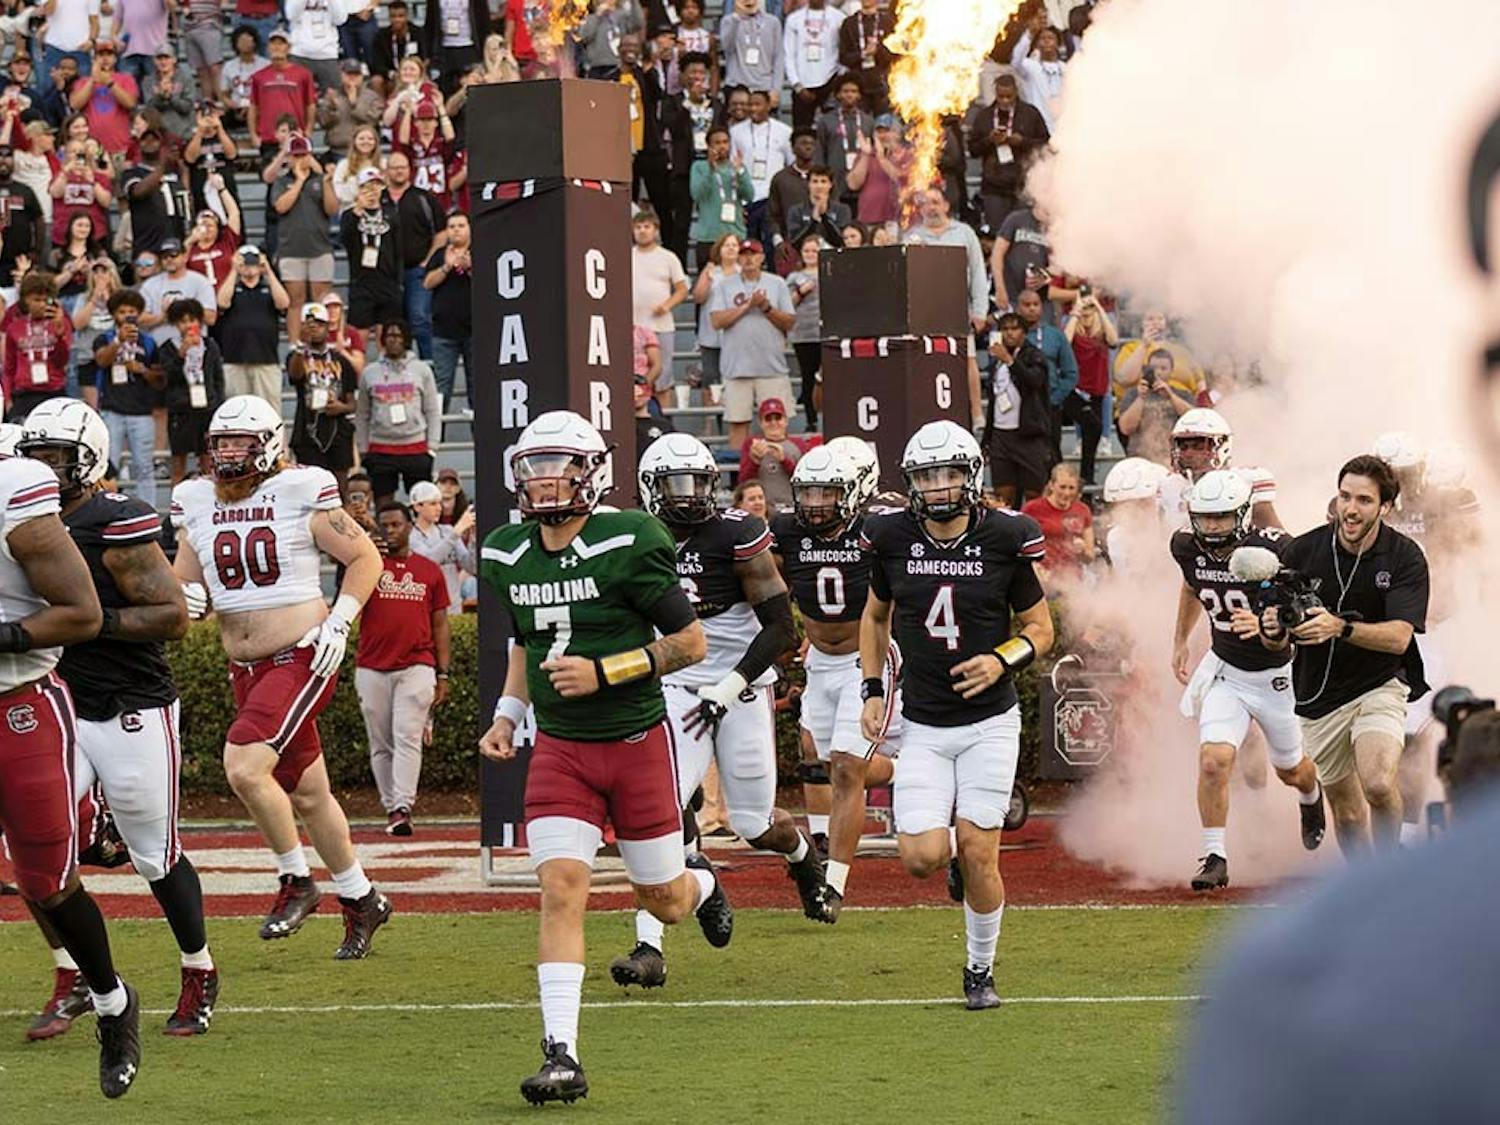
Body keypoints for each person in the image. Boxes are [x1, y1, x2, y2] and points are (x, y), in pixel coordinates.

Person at [477, 411, 731, 1104]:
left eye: (560, 464)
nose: (545, 479)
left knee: (667, 901)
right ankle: (562, 1052)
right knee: (561, 887)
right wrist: (508, 715)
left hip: (635, 743)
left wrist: (607, 669)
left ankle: (703, 882)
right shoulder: (505, 550)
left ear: (593, 471)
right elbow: (528, 643)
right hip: (561, 749)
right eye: (534, 465)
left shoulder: (631, 537)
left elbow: (690, 642)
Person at [18, 399, 218, 1038]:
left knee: (154, 855)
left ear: (88, 458)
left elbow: (172, 618)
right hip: (56, 703)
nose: (44, 471)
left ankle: (198, 968)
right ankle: (73, 974)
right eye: (35, 458)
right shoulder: (25, 518)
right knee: (31, 853)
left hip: (130, 704)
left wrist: (80, 623)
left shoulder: (116, 520)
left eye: (55, 458)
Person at [172, 395, 392, 957]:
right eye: (220, 443)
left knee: (245, 767)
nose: (227, 455)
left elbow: (365, 557)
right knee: (311, 794)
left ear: (268, 444)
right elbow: (184, 577)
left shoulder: (302, 487)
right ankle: (361, 896)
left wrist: (340, 622)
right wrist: (186, 597)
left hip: (300, 653)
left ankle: (296, 879)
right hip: (243, 666)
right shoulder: (195, 498)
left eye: (240, 444)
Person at [610, 431, 817, 992]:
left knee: (753, 823)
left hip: (740, 685)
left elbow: (780, 629)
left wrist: (729, 686)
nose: (687, 496)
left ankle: (800, 856)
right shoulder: (632, 537)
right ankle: (652, 940)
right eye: (675, 485)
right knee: (660, 804)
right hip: (677, 686)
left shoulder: (737, 533)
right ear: (651, 489)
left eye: (696, 483)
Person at [858, 420, 1054, 1009]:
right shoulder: (890, 536)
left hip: (990, 721)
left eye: (948, 475)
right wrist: (872, 688)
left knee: (979, 848)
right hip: (923, 721)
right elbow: (874, 617)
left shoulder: (1006, 537)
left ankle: (979, 968)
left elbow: (1042, 629)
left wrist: (1002, 659)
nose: (939, 487)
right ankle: (952, 867)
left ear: (971, 478)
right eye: (926, 476)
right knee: (921, 857)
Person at [0, 449, 144, 1098]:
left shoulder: (16, 493)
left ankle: (113, 1002)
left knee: (48, 882)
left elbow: (82, 613)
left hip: (19, 704)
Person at [1252, 455, 1430, 857]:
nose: (1351, 508)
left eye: (1364, 500)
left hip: (1380, 684)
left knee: (1380, 784)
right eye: (1345, 496)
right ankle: (1364, 885)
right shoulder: (1302, 551)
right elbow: (1275, 644)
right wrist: (1272, 629)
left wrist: (1340, 627)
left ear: (1385, 506)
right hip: (1318, 696)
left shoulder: (1404, 557)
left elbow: (1400, 639)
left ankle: (1387, 882)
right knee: (1348, 816)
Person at [1168, 470, 1326, 892]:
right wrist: (1181, 639)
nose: (1212, 526)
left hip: (1278, 676)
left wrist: (1265, 623)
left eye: (1221, 517)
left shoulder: (1276, 548)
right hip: (1227, 671)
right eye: (1204, 517)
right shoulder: (1186, 546)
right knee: (1213, 761)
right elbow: (1191, 587)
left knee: (1291, 771)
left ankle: (1312, 800)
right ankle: (1215, 855)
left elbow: (1304, 613)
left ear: (1241, 514)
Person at [771, 439, 900, 918]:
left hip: (863, 660)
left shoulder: (878, 530)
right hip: (819, 660)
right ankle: (828, 836)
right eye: (807, 493)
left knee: (847, 766)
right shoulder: (786, 529)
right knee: (817, 759)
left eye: (827, 493)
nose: (814, 504)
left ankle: (834, 883)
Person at [357, 500, 450, 838]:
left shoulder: (429, 570)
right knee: (380, 742)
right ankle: (391, 806)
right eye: (385, 526)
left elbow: (440, 624)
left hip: (417, 664)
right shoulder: (366, 566)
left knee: (407, 735)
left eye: (396, 524)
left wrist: (443, 673)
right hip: (371, 664)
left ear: (410, 525)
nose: (391, 531)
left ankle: (402, 806)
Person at [904, 189, 988, 430]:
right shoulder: (912, 237)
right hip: (924, 312)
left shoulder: (964, 233)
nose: (931, 207)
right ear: (919, 209)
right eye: (925, 204)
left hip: (958, 308)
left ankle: (976, 412)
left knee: (968, 359)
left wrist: (980, 310)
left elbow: (978, 273)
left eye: (935, 202)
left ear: (946, 205)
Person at [707, 238, 796, 451]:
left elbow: (789, 322)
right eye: (744, 254)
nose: (748, 259)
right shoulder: (725, 285)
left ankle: (781, 472)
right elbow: (717, 321)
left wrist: (766, 307)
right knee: (738, 424)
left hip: (771, 366)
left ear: (762, 257)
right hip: (737, 368)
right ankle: (740, 478)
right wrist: (748, 306)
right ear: (738, 257)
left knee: (777, 424)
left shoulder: (777, 283)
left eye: (753, 254)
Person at [354, 320, 441, 504]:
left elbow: (432, 410)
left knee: (421, 504)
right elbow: (362, 414)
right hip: (380, 447)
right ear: (383, 340)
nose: (394, 340)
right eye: (390, 336)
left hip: (415, 446)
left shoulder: (422, 370)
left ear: (406, 339)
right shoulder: (370, 373)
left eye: (398, 336)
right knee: (383, 505)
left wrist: (432, 446)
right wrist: (363, 448)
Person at [1159, 408, 1281, 531]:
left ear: (1223, 445)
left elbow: (1274, 536)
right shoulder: (1169, 484)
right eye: (1184, 447)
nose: (1189, 454)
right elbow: (1160, 537)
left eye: (1198, 447)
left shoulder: (1246, 480)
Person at [966, 74, 1049, 254]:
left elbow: (1045, 144)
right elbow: (972, 149)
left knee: (1023, 237)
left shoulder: (1030, 113)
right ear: (995, 93)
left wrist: (1022, 142)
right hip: (994, 187)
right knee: (998, 237)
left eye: (1008, 97)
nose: (1004, 101)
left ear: (1016, 92)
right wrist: (989, 140)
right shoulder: (985, 116)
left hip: (1024, 185)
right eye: (1000, 96)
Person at [90, 287, 158, 506]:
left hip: (141, 412)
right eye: (122, 312)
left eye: (132, 311)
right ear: (113, 314)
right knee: (107, 467)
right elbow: (101, 360)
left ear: (139, 314)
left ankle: (148, 515)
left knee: (145, 469)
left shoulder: (148, 342)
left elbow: (159, 378)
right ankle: (107, 511)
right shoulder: (104, 338)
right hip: (112, 409)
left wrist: (143, 371)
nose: (127, 316)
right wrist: (118, 341)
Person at [287, 301, 358, 499]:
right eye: (309, 323)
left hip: (338, 431)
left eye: (319, 324)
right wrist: (301, 345)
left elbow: (353, 402)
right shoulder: (297, 357)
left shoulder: (341, 360)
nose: (314, 328)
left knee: (340, 487)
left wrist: (341, 407)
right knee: (310, 490)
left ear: (327, 328)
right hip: (307, 430)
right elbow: (295, 375)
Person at [271, 133, 337, 342]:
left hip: (320, 247)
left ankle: (322, 343)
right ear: (289, 158)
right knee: (295, 301)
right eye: (295, 156)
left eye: (303, 155)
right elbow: (281, 206)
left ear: (310, 156)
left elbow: (332, 208)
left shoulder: (320, 180)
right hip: (291, 249)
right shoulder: (282, 181)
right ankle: (294, 345)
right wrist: (299, 181)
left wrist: (327, 182)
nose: (299, 160)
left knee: (321, 300)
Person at [984, 311, 1051, 508]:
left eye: (1014, 329)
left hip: (1028, 435)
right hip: (1000, 436)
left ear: (1024, 332)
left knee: (1034, 495)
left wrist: (1011, 361)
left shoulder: (1034, 356)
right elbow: (994, 401)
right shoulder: (996, 362)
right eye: (1005, 329)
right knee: (1003, 496)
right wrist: (987, 440)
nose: (1009, 334)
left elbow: (1034, 380)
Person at [156, 298, 224, 483]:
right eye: (183, 321)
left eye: (192, 320)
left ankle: (208, 504)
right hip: (181, 410)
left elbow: (218, 378)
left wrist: (217, 403)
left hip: (206, 408)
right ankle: (176, 507)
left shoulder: (210, 345)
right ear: (176, 324)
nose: (188, 325)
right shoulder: (168, 348)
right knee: (178, 463)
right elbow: (167, 377)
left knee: (207, 462)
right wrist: (181, 354)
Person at [216, 245, 290, 406]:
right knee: (235, 409)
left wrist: (268, 271)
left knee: (269, 409)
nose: (250, 268)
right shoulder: (232, 288)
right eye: (245, 263)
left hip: (266, 360)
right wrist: (234, 270)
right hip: (234, 360)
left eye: (253, 263)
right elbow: (222, 302)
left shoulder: (269, 288)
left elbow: (284, 303)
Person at [631, 209, 688, 405]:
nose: (642, 231)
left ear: (655, 230)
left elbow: (682, 289)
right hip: (635, 327)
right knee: (635, 377)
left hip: (661, 326)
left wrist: (666, 305)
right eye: (638, 227)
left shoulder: (668, 257)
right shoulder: (625, 256)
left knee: (662, 380)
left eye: (647, 227)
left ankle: (664, 422)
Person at [340, 167, 404, 337]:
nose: (371, 192)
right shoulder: (349, 215)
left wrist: (398, 282)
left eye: (376, 186)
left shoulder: (391, 214)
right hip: (361, 282)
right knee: (359, 337)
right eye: (366, 187)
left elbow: (398, 250)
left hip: (387, 282)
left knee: (387, 336)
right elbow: (344, 240)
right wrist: (357, 211)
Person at [4, 271, 73, 422]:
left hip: (54, 392)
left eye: (45, 300)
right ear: (26, 300)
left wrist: (60, 334)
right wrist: (8, 399)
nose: (41, 304)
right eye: (36, 299)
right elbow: (9, 368)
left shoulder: (61, 323)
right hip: (24, 394)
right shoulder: (15, 327)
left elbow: (62, 361)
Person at [729, 88, 793, 250]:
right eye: (750, 105)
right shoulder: (735, 132)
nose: (753, 109)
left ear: (769, 106)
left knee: (771, 245)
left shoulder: (784, 131)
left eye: (758, 104)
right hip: (747, 196)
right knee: (748, 245)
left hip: (771, 196)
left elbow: (790, 162)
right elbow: (732, 165)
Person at [1061, 290, 1114, 484]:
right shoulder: (1074, 330)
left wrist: (1099, 307)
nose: (1086, 316)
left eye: (1089, 311)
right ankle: (1084, 477)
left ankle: (1087, 479)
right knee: (1092, 426)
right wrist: (1074, 313)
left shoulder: (1102, 332)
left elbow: (1114, 340)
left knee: (1093, 433)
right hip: (1076, 389)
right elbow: (1064, 343)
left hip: (1097, 390)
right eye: (1084, 312)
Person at [423, 209, 472, 408]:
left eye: (461, 226)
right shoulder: (438, 254)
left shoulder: (481, 250)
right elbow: (427, 283)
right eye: (452, 227)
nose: (456, 231)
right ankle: (438, 437)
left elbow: (491, 282)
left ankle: (479, 437)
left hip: (474, 331)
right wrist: (446, 267)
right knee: (441, 386)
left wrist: (469, 267)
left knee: (477, 385)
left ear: (470, 228)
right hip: (443, 332)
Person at [1116, 347, 1196, 464]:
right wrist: (1141, 398)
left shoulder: (1182, 395)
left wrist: (1171, 396)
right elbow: (1125, 428)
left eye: (1163, 368)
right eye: (1154, 368)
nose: (1158, 372)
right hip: (1139, 460)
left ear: (1171, 371)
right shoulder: (1133, 394)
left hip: (1173, 459)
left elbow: (1194, 420)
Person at [689, 126, 753, 267]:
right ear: (709, 146)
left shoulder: (737, 166)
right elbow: (697, 194)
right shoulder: (699, 167)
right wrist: (710, 170)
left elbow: (749, 195)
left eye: (725, 142)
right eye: (717, 143)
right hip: (709, 236)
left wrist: (740, 172)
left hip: (735, 235)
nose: (722, 146)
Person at [1021, 464, 1096, 583]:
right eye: (1062, 487)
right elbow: (1019, 546)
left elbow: (1090, 557)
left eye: (1071, 488)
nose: (1067, 493)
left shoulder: (1083, 510)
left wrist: (1083, 550)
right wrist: (1034, 567)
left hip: (1072, 579)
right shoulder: (1032, 509)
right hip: (1040, 577)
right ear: (1051, 485)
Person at [409, 479, 474, 614]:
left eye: (439, 503)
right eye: (433, 503)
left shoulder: (447, 530)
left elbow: (471, 567)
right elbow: (429, 562)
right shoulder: (411, 536)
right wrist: (456, 532)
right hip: (426, 610)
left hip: (453, 608)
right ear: (417, 507)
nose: (439, 508)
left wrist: (473, 539)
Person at [247, 29, 317, 155]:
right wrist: (253, 135)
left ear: (289, 48)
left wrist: (308, 130)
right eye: (273, 43)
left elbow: (310, 104)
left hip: (295, 136)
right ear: (268, 48)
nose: (277, 47)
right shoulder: (258, 76)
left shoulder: (304, 74)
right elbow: (253, 107)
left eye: (281, 43)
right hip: (268, 137)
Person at [141, 237, 219, 348]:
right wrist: (163, 317)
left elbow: (211, 318)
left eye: (173, 255)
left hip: (194, 350)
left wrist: (182, 309)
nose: (169, 259)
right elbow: (140, 319)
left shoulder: (200, 281)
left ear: (185, 256)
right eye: (164, 257)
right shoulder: (150, 285)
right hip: (158, 350)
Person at [736, 396, 810, 511]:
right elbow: (743, 483)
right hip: (762, 510)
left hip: (792, 507)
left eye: (778, 418)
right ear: (761, 423)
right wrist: (755, 461)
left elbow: (806, 481)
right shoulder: (752, 444)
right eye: (768, 419)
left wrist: (784, 461)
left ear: (786, 421)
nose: (773, 423)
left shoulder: (799, 444)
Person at [692, 231, 739, 402]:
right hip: (710, 335)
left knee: (734, 381)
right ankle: (709, 424)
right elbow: (698, 297)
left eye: (734, 245)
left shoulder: (743, 272)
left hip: (736, 336)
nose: (731, 249)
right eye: (727, 245)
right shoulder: (711, 270)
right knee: (710, 380)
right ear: (719, 249)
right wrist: (707, 277)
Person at [69, 40, 139, 156]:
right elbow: (75, 104)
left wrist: (109, 82)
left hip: (120, 147)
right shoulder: (83, 82)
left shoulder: (126, 79)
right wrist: (92, 80)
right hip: (91, 147)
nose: (105, 59)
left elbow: (130, 103)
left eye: (109, 55)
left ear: (115, 59)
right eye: (101, 55)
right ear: (94, 59)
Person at [781, 0, 843, 131]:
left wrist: (836, 82)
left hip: (830, 82)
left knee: (832, 130)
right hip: (802, 85)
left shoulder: (839, 18)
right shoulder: (794, 19)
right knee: (802, 132)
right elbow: (789, 54)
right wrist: (797, 85)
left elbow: (842, 52)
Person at [814, 77, 873, 207]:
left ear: (859, 95)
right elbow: (820, 153)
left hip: (863, 184)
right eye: (845, 91)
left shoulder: (868, 121)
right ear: (838, 95)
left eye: (853, 91)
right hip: (835, 185)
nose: (849, 94)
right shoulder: (826, 121)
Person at [785, 235, 823, 425]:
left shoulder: (828, 271)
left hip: (825, 332)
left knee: (827, 378)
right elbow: (787, 303)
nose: (810, 254)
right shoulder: (794, 276)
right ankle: (811, 420)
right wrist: (800, 292)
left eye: (814, 251)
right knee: (808, 376)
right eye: (807, 251)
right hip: (803, 334)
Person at [317, 58, 384, 162]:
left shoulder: (372, 97)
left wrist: (354, 103)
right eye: (348, 74)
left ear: (362, 76)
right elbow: (323, 122)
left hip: (366, 152)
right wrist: (333, 107)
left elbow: (372, 121)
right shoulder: (332, 95)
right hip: (338, 151)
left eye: (356, 74)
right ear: (341, 75)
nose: (352, 78)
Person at [991, 200, 1051, 315]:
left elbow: (1060, 263)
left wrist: (1045, 276)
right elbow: (997, 253)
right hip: (1011, 296)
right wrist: (1000, 288)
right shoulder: (1016, 219)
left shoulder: (1055, 226)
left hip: (1041, 300)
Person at [1009, 15, 1066, 135]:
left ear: (1058, 43)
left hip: (1064, 127)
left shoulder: (1066, 68)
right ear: (1036, 44)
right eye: (1042, 38)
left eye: (1050, 38)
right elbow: (1016, 61)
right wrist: (1029, 34)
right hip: (1039, 129)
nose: (1046, 41)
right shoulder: (1030, 66)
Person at [837, 0, 894, 116]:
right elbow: (843, 57)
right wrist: (863, 54)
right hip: (858, 85)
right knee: (859, 124)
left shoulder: (887, 22)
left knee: (883, 125)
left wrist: (877, 51)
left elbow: (895, 55)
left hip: (882, 83)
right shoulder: (849, 23)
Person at [720, 0, 783, 101]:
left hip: (764, 87)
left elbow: (778, 57)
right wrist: (737, 18)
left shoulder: (773, 22)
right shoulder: (728, 20)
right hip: (736, 85)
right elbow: (726, 47)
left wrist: (776, 89)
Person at [0, 145, 46, 283]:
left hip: (20, 260)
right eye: (0, 155)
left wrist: (36, 250)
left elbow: (39, 220)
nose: (3, 160)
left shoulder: (25, 190)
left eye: (8, 156)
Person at [767, 126, 814, 251]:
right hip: (790, 242)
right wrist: (778, 241)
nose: (808, 147)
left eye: (811, 144)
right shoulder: (781, 179)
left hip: (818, 242)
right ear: (793, 148)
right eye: (804, 143)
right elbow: (773, 215)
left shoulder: (825, 176)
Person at [782, 164, 849, 252]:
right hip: (805, 259)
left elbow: (842, 241)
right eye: (815, 181)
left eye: (823, 181)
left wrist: (824, 217)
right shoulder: (796, 211)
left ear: (831, 184)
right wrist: (813, 221)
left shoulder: (842, 210)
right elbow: (795, 243)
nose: (819, 186)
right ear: (808, 184)